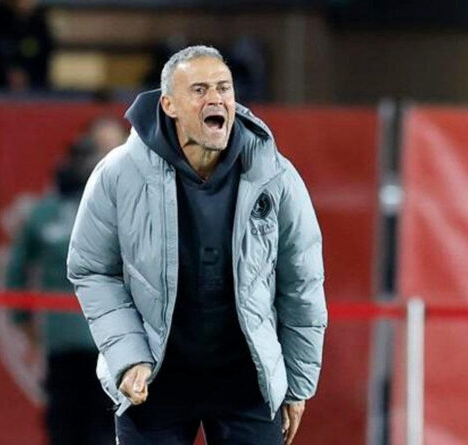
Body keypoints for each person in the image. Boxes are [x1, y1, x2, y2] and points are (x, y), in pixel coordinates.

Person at [67, 45, 327, 445]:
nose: (216, 98)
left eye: (224, 88)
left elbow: (302, 281)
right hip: (154, 379)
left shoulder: (275, 175)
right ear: (169, 105)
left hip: (247, 382)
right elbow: (92, 270)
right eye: (200, 90)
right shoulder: (118, 174)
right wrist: (129, 356)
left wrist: (297, 382)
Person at [6, 117, 127, 445]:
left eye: (113, 148)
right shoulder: (48, 212)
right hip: (68, 348)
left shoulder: (137, 209)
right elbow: (15, 272)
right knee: (69, 428)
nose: (102, 157)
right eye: (97, 147)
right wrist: (23, 322)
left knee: (107, 430)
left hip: (117, 347)